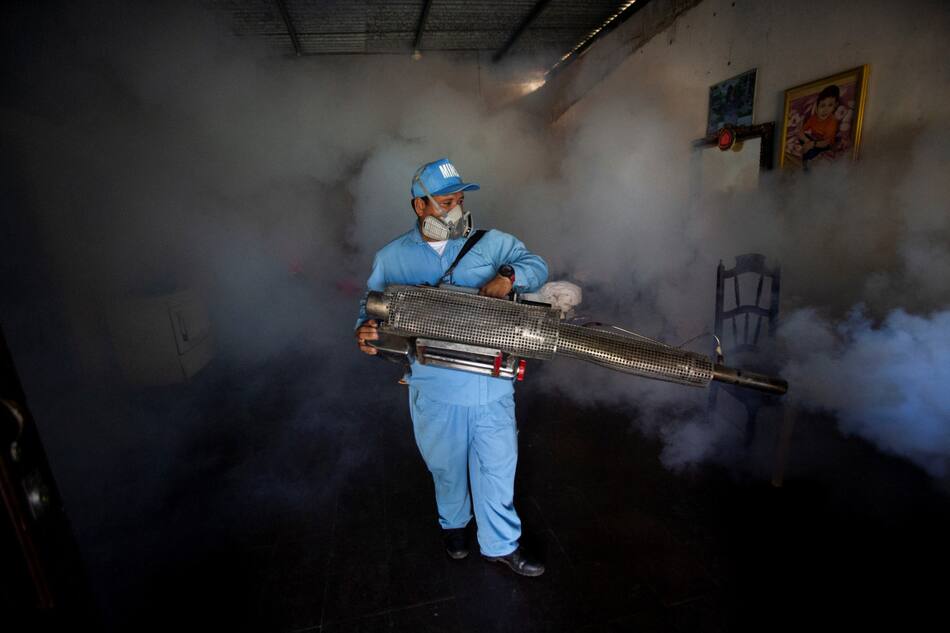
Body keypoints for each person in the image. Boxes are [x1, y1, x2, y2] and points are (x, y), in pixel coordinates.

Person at [355, 158, 549, 577]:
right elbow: (369, 311)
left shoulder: (493, 243)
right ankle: (454, 526)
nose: (455, 208)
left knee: (497, 467)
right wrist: (366, 332)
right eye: (445, 202)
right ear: (419, 206)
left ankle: (500, 544)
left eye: (459, 199)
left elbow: (537, 265)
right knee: (446, 467)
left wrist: (509, 276)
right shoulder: (392, 257)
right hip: (433, 386)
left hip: (491, 385)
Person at [797, 84, 840, 170]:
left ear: (835, 106)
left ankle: (806, 167)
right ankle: (807, 152)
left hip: (824, 144)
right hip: (813, 140)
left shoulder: (832, 121)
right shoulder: (814, 118)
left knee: (810, 152)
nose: (826, 110)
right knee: (802, 138)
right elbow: (801, 132)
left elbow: (827, 142)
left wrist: (811, 145)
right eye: (822, 106)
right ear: (816, 108)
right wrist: (807, 141)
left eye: (830, 105)